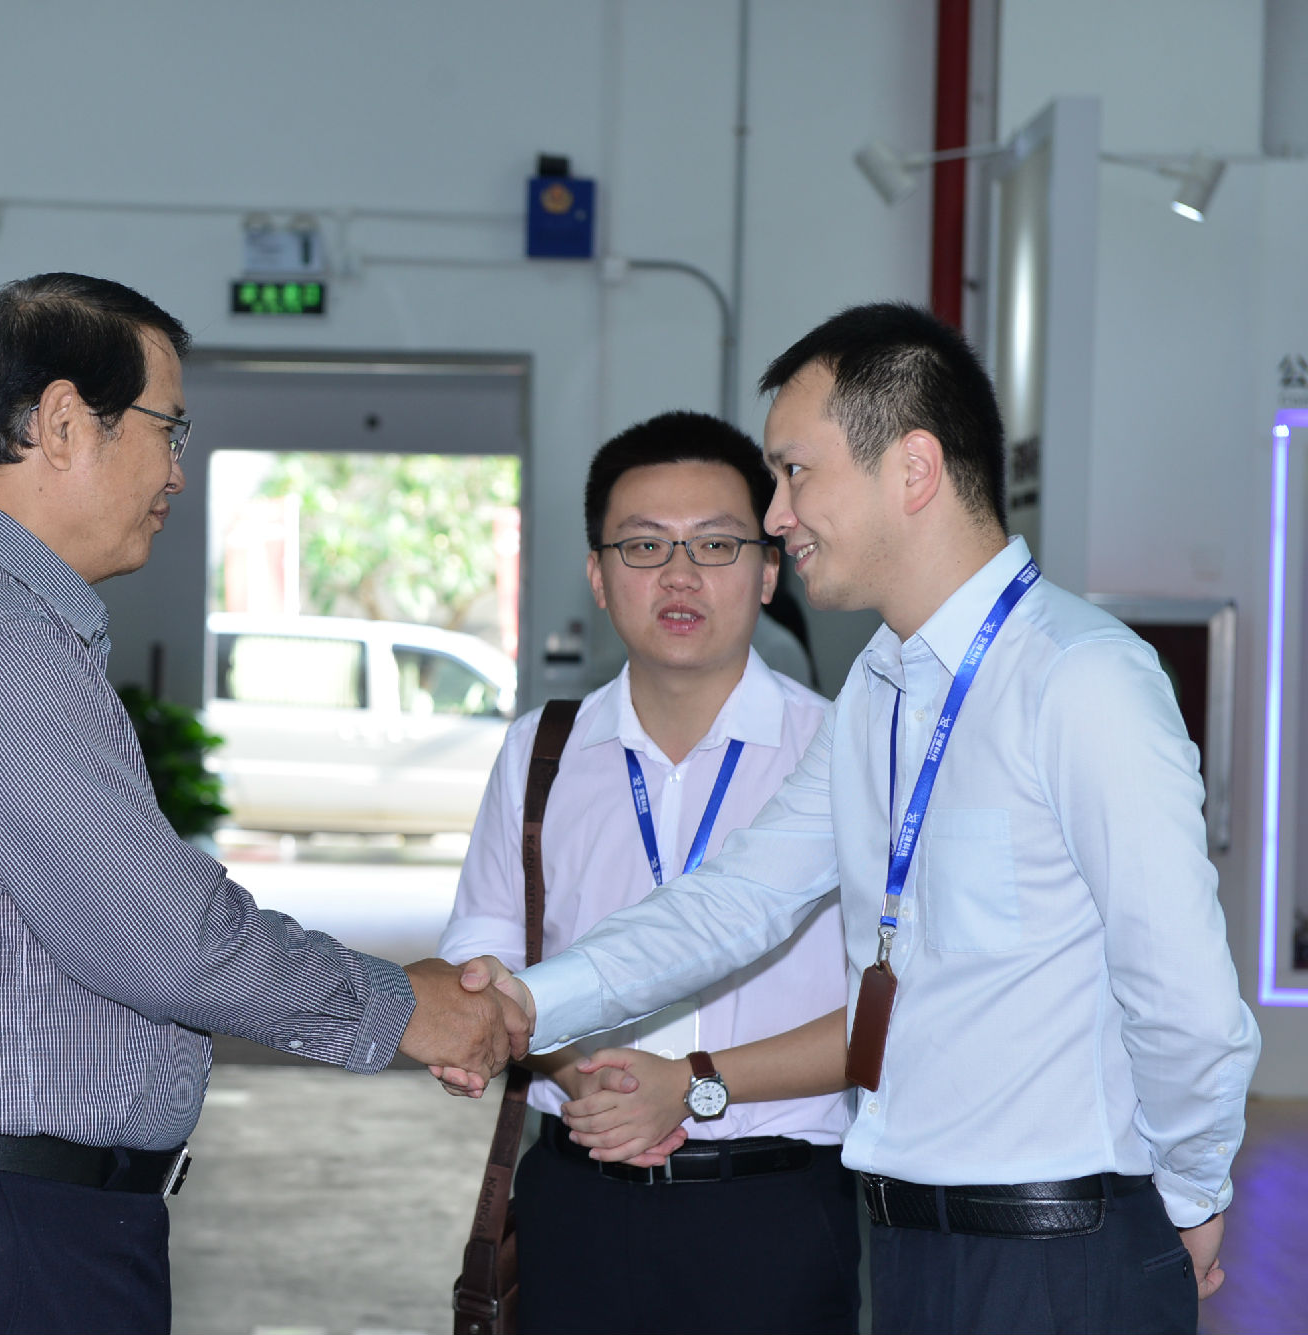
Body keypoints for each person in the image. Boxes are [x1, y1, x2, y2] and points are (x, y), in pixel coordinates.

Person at [454, 302, 1260, 1335]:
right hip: (909, 1244)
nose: (777, 514)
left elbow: (1182, 993)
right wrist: (526, 1002)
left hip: (1061, 1251)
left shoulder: (1079, 679)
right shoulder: (878, 691)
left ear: (912, 470)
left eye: (795, 473)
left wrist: (1190, 1193)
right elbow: (733, 901)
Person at [0, 272, 524, 1335]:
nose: (178, 472)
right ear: (62, 423)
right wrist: (401, 1007)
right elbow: (160, 938)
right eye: (168, 429)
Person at [437, 411, 856, 1335]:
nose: (679, 574)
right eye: (643, 545)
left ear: (769, 570)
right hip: (580, 1203)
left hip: (776, 1212)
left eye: (716, 543)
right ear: (597, 573)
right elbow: (484, 964)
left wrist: (697, 1083)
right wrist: (578, 1074)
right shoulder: (542, 751)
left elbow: (888, 1012)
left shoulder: (844, 753)